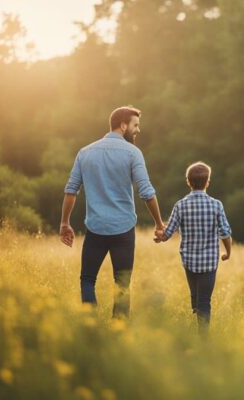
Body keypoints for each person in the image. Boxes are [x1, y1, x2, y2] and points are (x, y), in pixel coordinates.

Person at [60, 106, 165, 318]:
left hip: (96, 228)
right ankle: (120, 329)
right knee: (122, 283)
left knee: (88, 280)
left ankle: (91, 325)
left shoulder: (85, 152)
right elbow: (146, 192)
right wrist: (159, 224)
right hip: (123, 230)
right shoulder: (133, 153)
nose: (138, 130)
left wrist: (65, 223)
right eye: (135, 125)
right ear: (123, 125)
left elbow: (71, 190)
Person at [157, 162, 232, 335]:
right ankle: (203, 337)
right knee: (204, 299)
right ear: (208, 182)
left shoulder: (180, 205)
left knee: (196, 296)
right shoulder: (216, 205)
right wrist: (228, 252)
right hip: (209, 262)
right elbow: (225, 233)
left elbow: (168, 233)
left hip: (189, 261)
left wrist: (159, 236)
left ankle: (197, 320)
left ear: (187, 182)